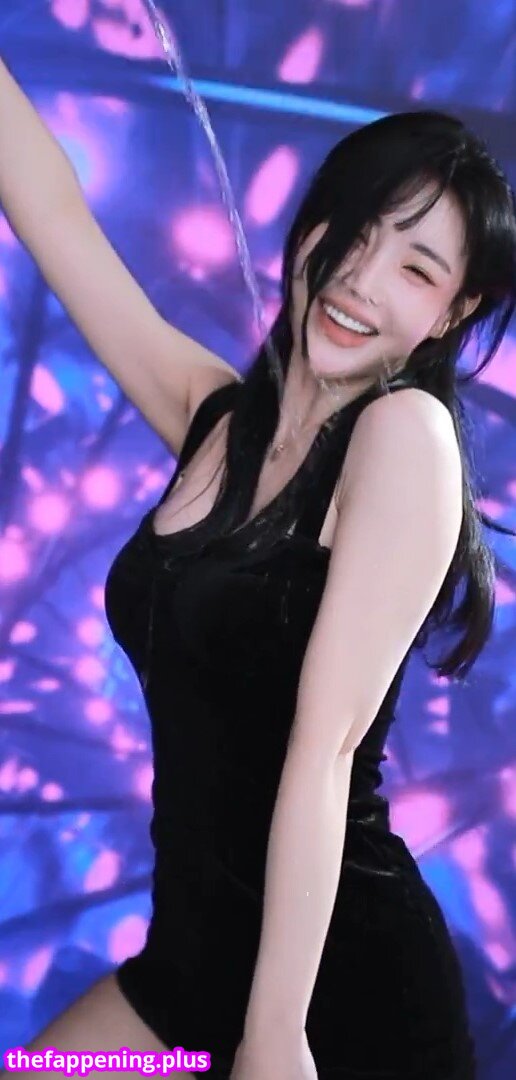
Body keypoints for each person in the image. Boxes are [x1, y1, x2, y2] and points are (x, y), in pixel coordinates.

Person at [0, 54, 515, 1079]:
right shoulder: (217, 419)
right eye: (354, 231)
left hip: (335, 998)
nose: (359, 279)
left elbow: (324, 752)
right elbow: (53, 212)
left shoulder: (403, 437)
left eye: (415, 269)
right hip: (187, 970)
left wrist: (275, 1034)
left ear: (454, 312)